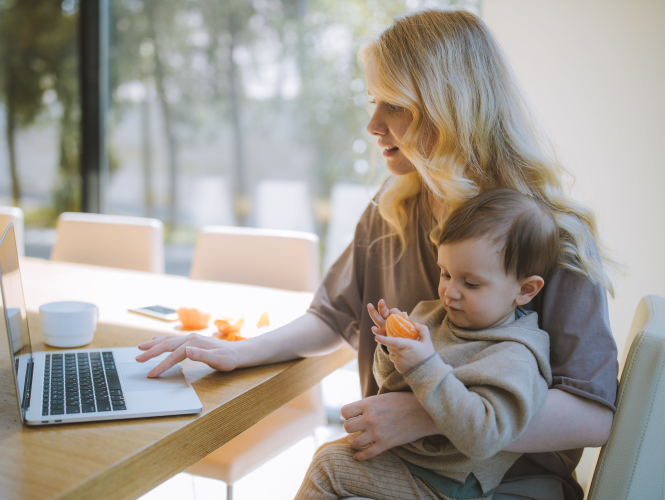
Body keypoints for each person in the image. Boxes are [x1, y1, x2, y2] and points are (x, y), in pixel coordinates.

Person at [136, 9, 618, 500]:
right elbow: (332, 315)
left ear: (450, 108)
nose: (372, 124)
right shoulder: (393, 207)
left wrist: (426, 414)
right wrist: (239, 351)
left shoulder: (550, 234)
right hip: (399, 470)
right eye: (372, 102)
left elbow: (593, 415)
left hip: (506, 485)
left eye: (394, 106)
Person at [295, 188, 559, 499]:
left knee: (328, 465)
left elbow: (484, 437)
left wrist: (424, 365)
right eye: (445, 273)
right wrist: (392, 349)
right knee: (330, 453)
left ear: (525, 289)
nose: (450, 292)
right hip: (409, 460)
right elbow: (392, 385)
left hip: (448, 484)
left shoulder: (516, 356)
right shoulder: (433, 316)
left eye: (470, 283)